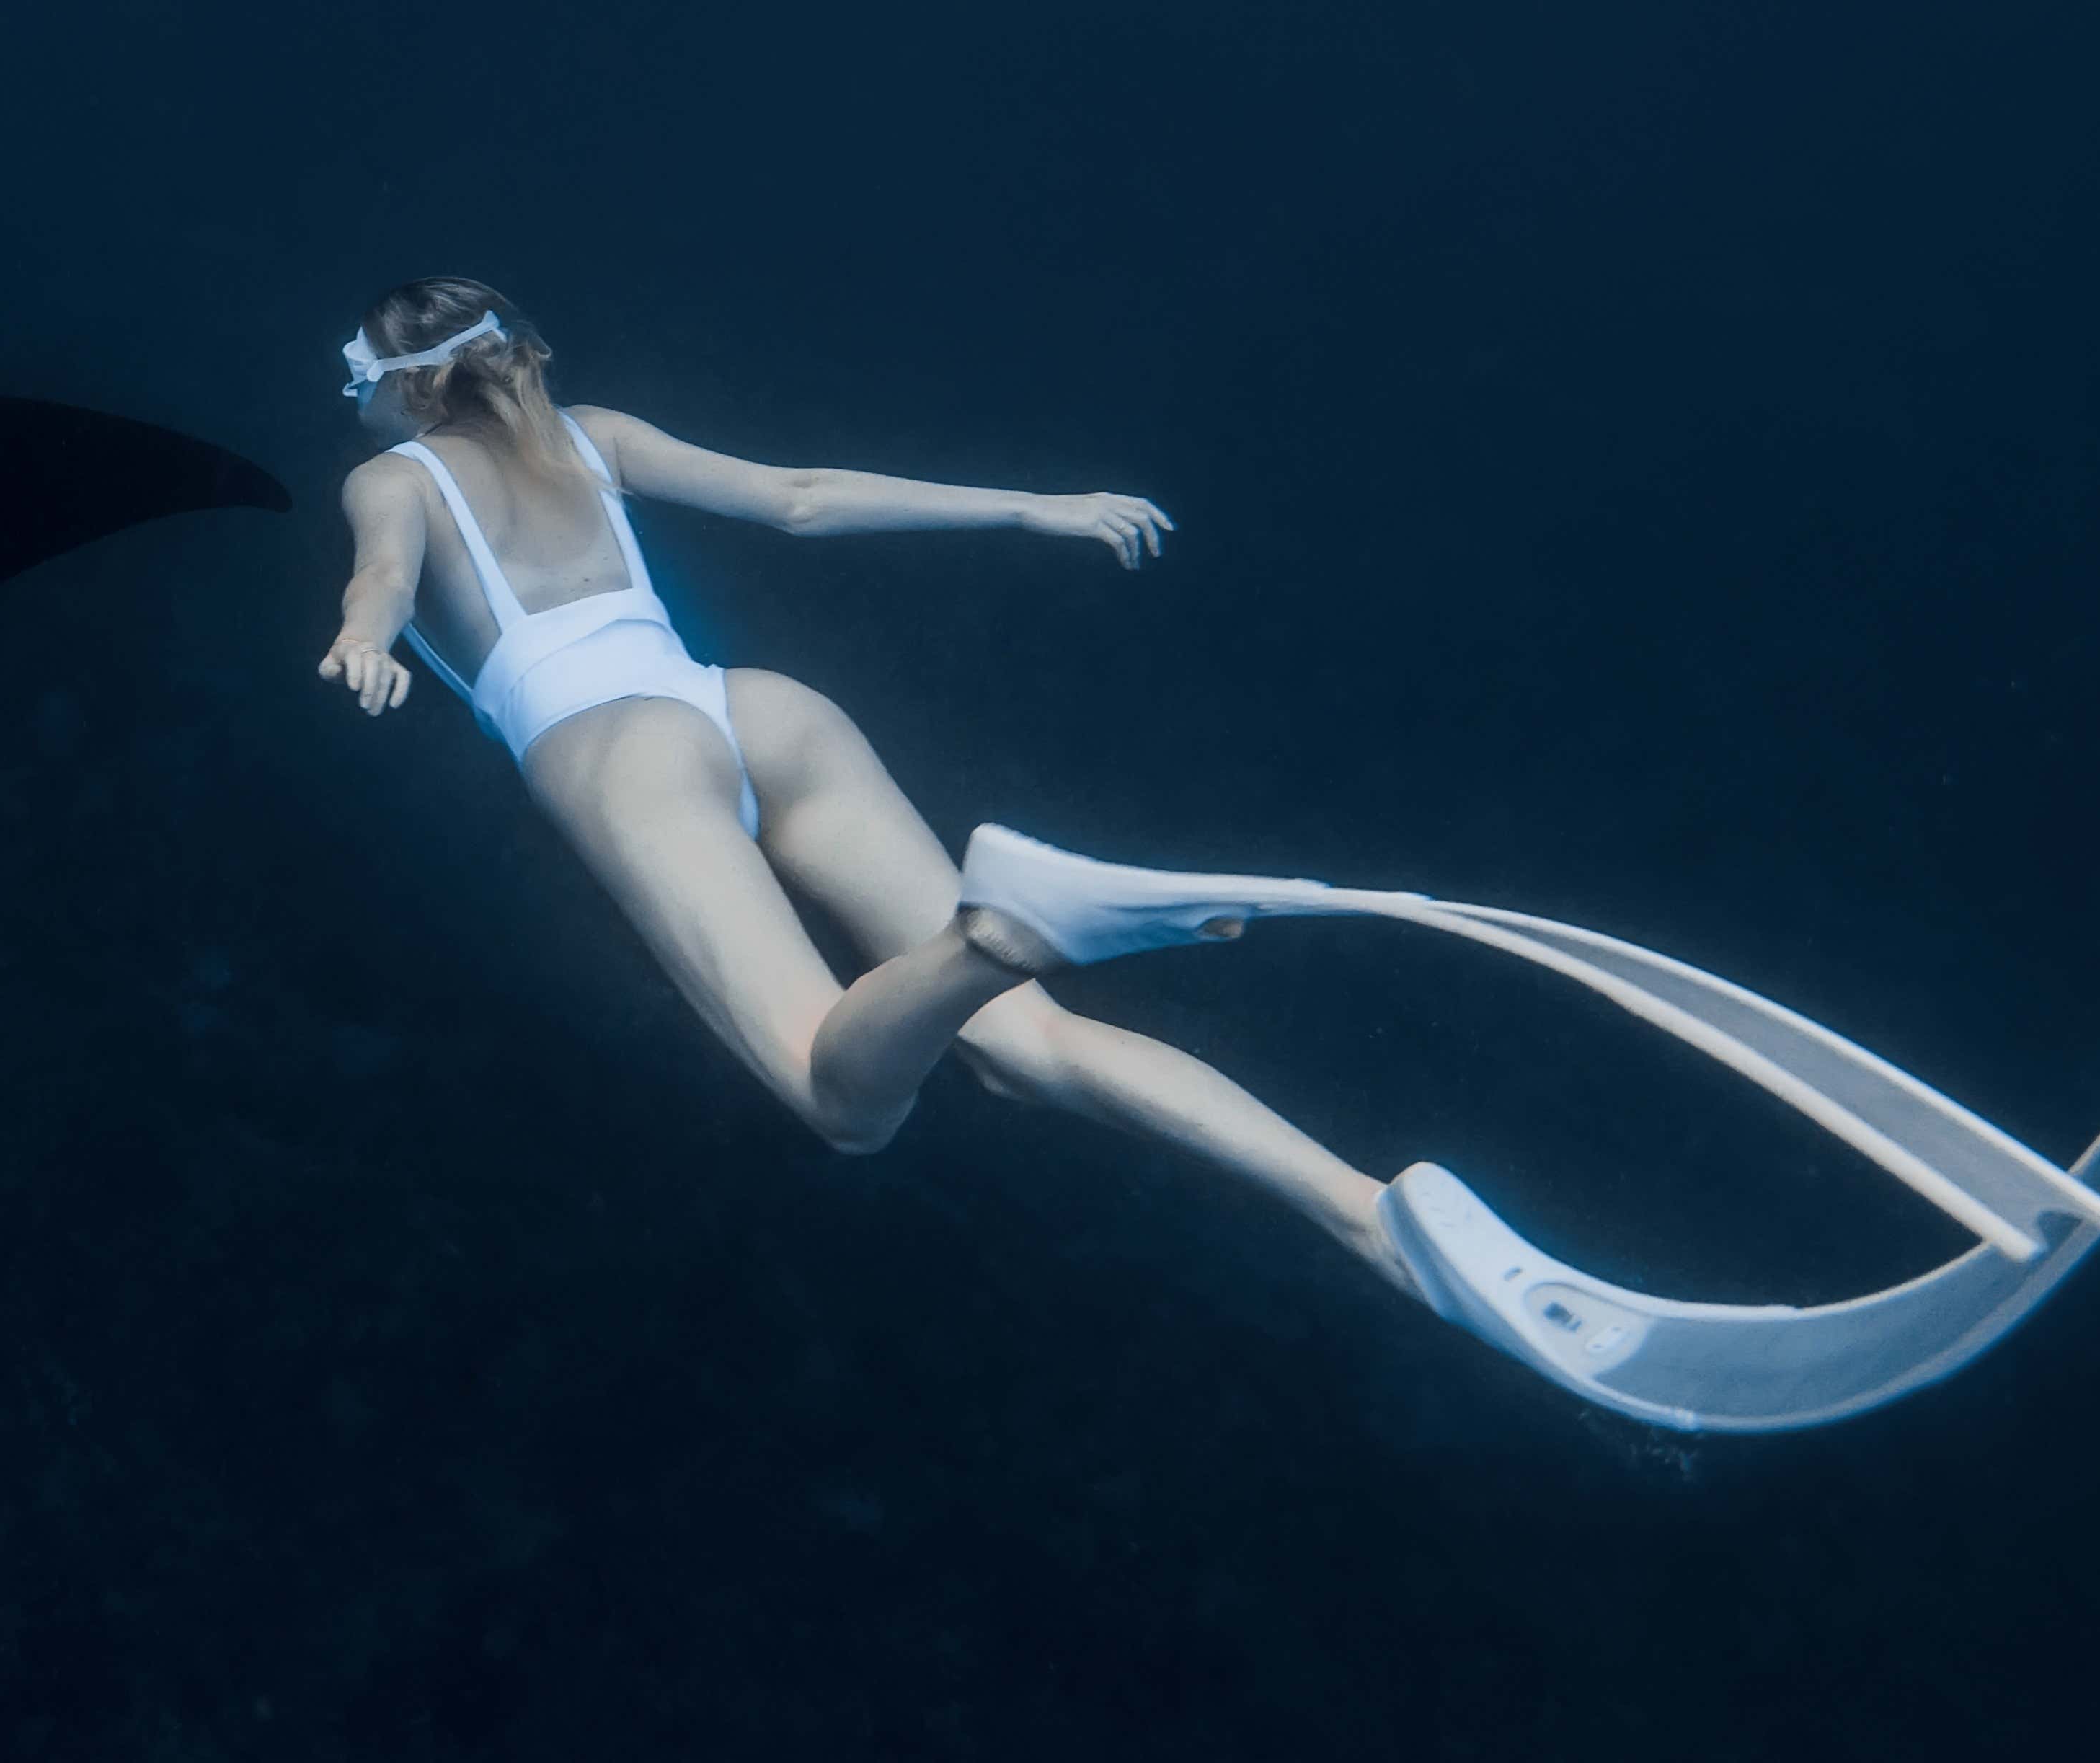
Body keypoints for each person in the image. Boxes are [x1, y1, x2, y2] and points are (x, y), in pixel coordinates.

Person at [309, 276, 1407, 1289]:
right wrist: (1035, 503)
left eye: (355, 378)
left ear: (404, 386)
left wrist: (365, 640)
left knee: (842, 1104)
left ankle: (994, 940)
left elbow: (384, 576)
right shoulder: (595, 437)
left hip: (624, 753)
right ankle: (1362, 1206)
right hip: (759, 709)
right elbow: (801, 497)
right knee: (1030, 1047)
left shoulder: (390, 475)